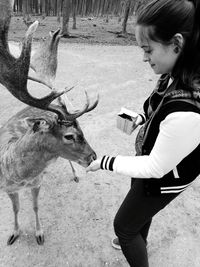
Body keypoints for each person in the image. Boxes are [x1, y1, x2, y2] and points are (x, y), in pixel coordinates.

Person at [86, 0, 200, 266]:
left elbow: (155, 167)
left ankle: (131, 236)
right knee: (138, 207)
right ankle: (138, 236)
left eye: (148, 50)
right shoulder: (174, 71)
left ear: (177, 44)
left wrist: (105, 162)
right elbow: (158, 107)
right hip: (152, 160)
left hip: (165, 175)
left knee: (123, 226)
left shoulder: (188, 111)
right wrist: (140, 118)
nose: (144, 58)